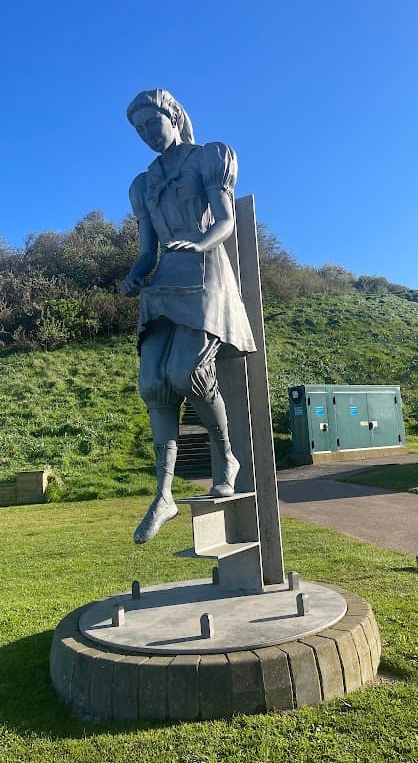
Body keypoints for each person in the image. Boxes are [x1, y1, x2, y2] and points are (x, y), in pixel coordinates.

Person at [121, 88, 256, 544]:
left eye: (151, 124)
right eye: (138, 131)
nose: (146, 136)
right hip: (163, 284)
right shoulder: (143, 183)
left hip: (206, 274)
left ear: (172, 116)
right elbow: (146, 252)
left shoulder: (208, 158)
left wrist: (199, 243)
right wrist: (135, 276)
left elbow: (225, 221)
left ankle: (226, 458)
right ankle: (164, 494)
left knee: (187, 372)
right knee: (153, 381)